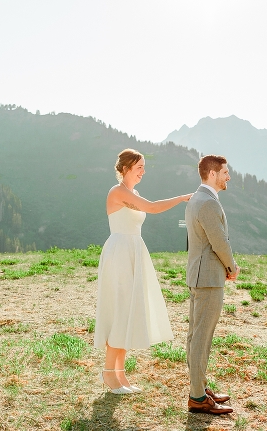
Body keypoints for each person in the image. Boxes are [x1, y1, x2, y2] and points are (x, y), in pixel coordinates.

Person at [94, 148, 193, 394]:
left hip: (133, 251)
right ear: (125, 168)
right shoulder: (117, 192)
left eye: (144, 167)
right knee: (120, 310)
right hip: (120, 252)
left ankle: (120, 374)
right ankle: (109, 374)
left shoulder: (132, 193)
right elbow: (152, 207)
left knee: (128, 311)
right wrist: (181, 198)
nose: (143, 172)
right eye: (139, 167)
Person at [184, 155, 239, 414]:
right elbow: (219, 242)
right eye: (225, 172)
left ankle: (200, 387)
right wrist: (232, 266)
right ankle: (197, 397)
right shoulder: (207, 203)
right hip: (208, 279)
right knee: (201, 337)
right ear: (212, 174)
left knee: (197, 335)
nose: (228, 176)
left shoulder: (197, 199)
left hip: (199, 276)